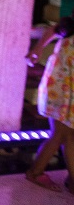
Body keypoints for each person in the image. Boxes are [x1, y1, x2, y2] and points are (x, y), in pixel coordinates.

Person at [25, 16, 74, 193]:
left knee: (68, 136)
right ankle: (35, 172)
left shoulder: (68, 28)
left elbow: (52, 30)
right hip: (60, 91)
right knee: (60, 134)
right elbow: (52, 30)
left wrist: (37, 50)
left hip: (64, 91)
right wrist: (36, 50)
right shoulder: (68, 28)